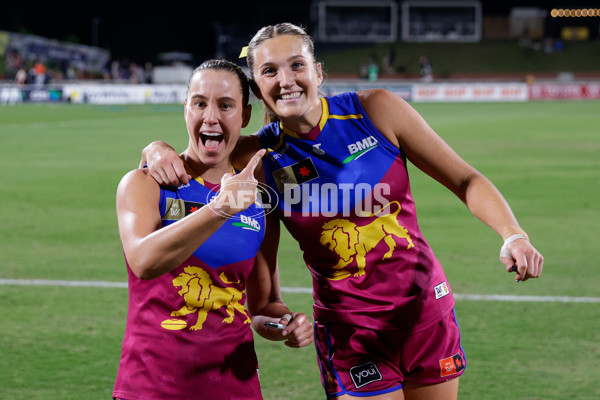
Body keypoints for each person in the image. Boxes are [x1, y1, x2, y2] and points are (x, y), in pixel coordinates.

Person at [140, 23, 544, 400]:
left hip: (425, 311)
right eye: (269, 72)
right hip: (351, 334)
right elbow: (195, 155)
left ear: (318, 72)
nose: (286, 80)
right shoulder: (257, 158)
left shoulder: (376, 111)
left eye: (296, 65)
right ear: (257, 89)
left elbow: (465, 180)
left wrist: (513, 234)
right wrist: (156, 148)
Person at [114, 59, 313, 400]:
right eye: (200, 103)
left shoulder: (258, 200)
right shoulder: (145, 183)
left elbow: (264, 306)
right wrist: (218, 208)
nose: (210, 117)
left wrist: (286, 325)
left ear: (244, 117)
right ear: (186, 108)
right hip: (149, 388)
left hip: (235, 388)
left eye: (225, 106)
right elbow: (143, 261)